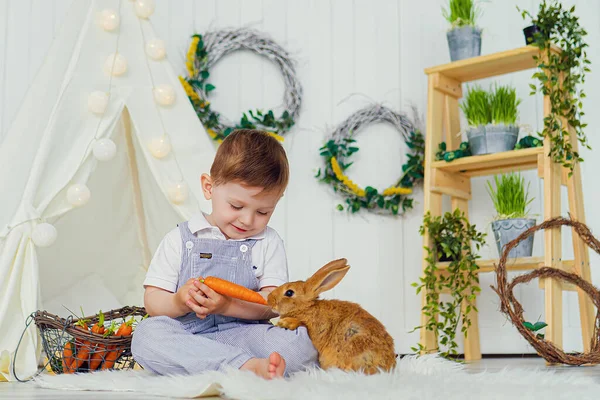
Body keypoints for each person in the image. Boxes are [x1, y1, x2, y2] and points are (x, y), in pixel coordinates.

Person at [131, 129, 318, 379]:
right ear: (209, 188)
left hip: (245, 336)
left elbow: (273, 306)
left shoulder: (268, 242)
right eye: (236, 206)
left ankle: (225, 364)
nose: (248, 219)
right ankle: (245, 367)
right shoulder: (181, 238)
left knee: (302, 344)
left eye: (263, 212)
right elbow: (152, 301)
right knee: (146, 336)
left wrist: (228, 305)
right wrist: (177, 301)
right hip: (188, 336)